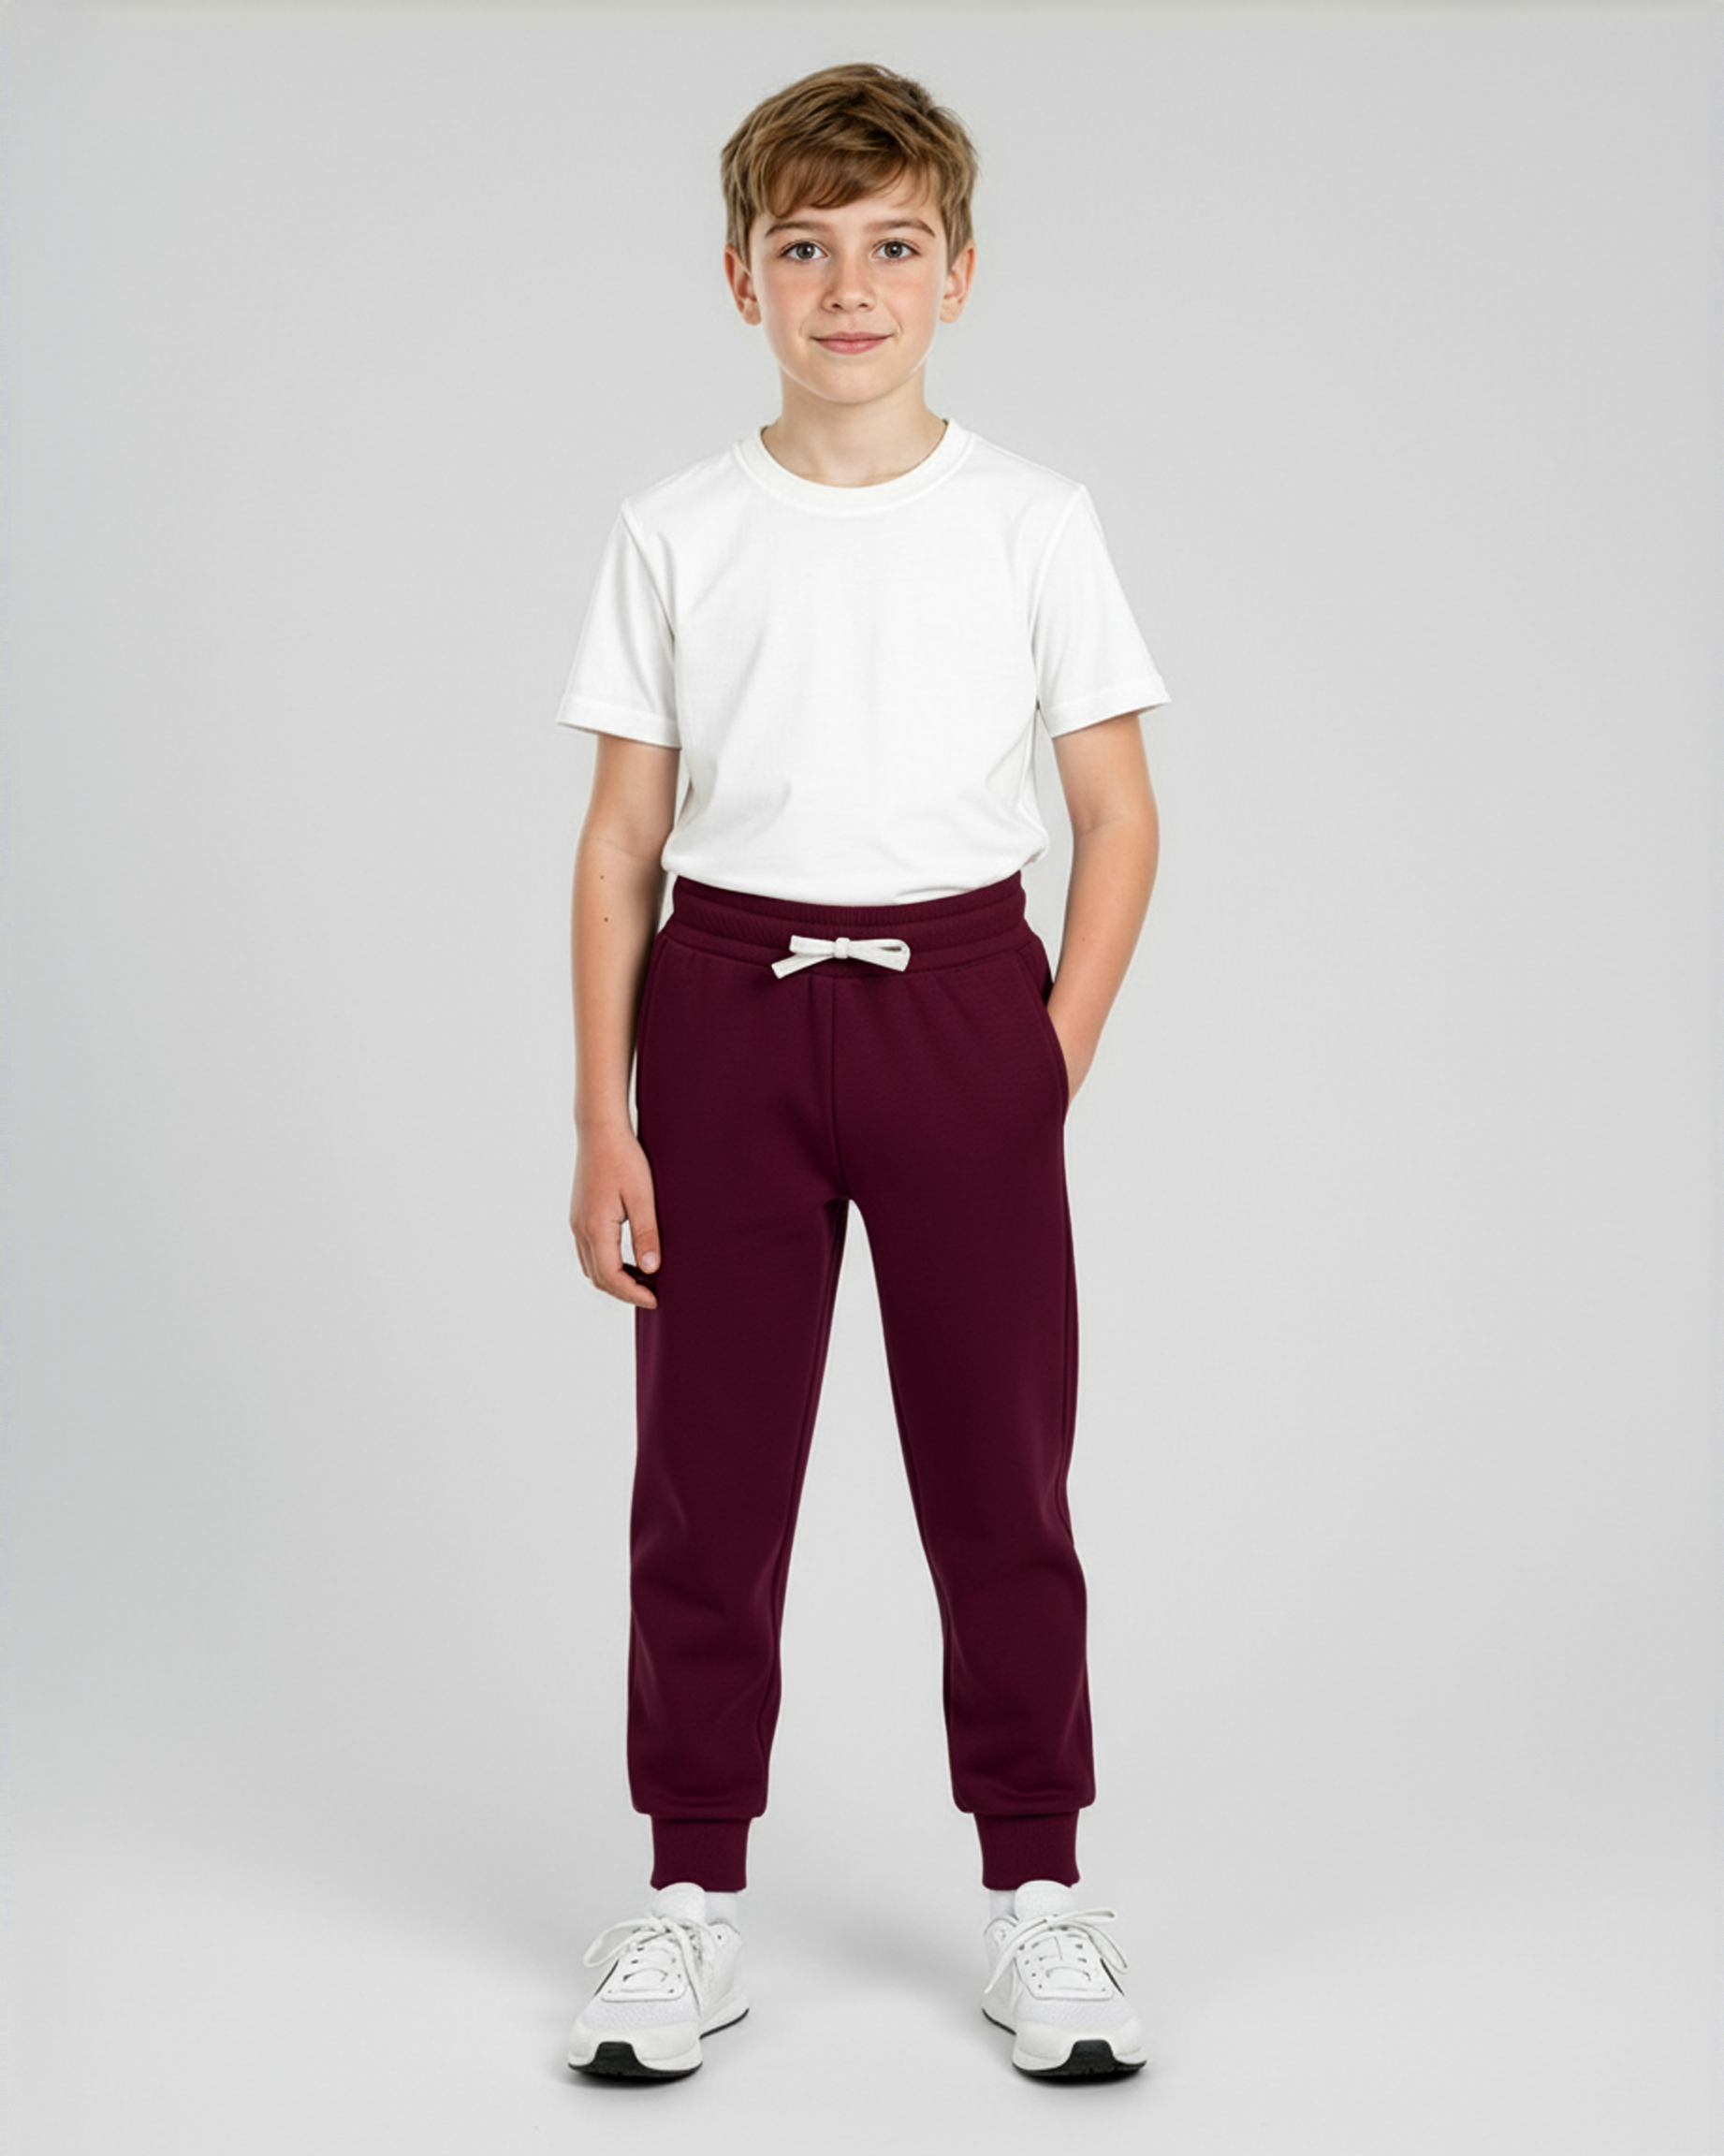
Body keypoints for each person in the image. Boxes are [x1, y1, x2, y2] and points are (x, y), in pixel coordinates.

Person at [554, 60, 1172, 2082]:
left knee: (999, 1473)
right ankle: (687, 1900)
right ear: (740, 277)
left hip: (960, 1005)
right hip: (723, 1010)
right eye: (805, 248)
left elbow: (1116, 814)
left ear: (957, 275)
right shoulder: (676, 529)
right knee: (705, 1482)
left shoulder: (1031, 520)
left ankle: (1040, 1894)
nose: (849, 287)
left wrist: (1040, 1059)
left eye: (892, 246)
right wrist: (601, 1118)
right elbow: (622, 842)